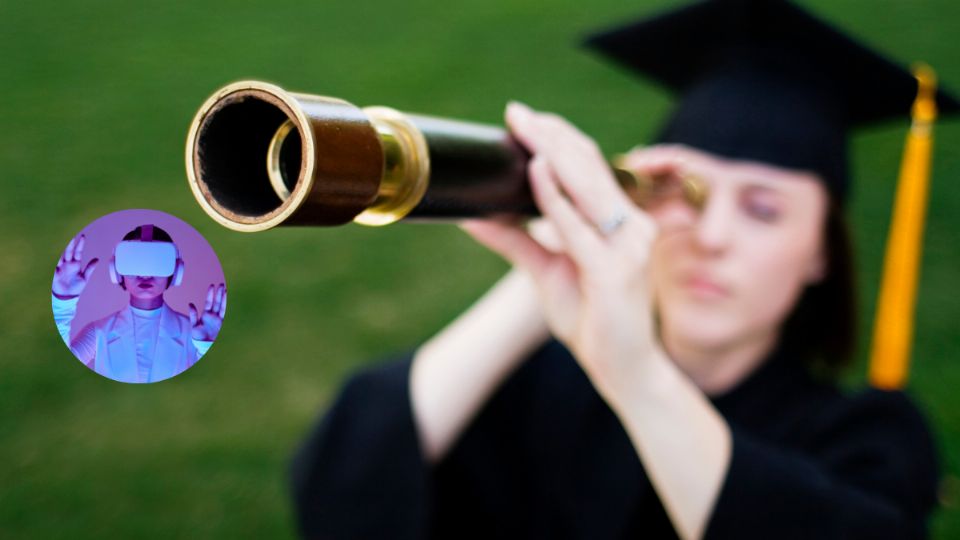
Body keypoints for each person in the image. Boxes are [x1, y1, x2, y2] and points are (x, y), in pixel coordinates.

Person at [289, 0, 957, 538]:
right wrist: (541, 278)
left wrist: (635, 375)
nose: (711, 237)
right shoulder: (540, 385)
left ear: (819, 252)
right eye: (684, 196)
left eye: (762, 209)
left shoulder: (866, 441)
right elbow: (340, 499)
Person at [52, 224, 226, 383]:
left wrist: (207, 347)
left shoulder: (196, 337)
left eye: (157, 262)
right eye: (134, 261)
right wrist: (62, 304)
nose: (145, 274)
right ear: (117, 270)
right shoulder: (98, 333)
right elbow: (58, 370)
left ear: (175, 271)